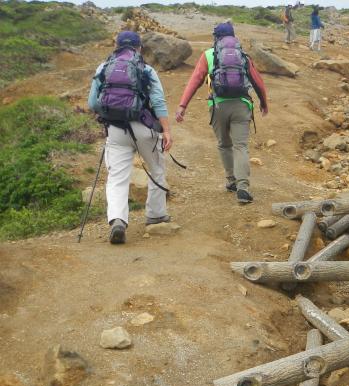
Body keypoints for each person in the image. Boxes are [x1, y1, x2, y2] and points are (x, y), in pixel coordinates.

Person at [88, 30, 172, 244]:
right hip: (145, 128)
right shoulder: (146, 69)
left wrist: (110, 113)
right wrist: (167, 131)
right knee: (156, 169)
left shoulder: (103, 67)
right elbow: (159, 102)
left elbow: (93, 104)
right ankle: (156, 215)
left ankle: (117, 220)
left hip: (116, 130)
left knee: (117, 178)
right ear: (139, 48)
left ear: (116, 45)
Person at [175, 22, 268, 204]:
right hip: (241, 105)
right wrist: (264, 103)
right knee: (240, 146)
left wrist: (182, 105)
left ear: (216, 37)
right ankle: (243, 188)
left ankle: (231, 181)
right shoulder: (242, 55)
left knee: (225, 145)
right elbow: (258, 81)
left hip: (217, 106)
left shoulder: (209, 55)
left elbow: (195, 81)